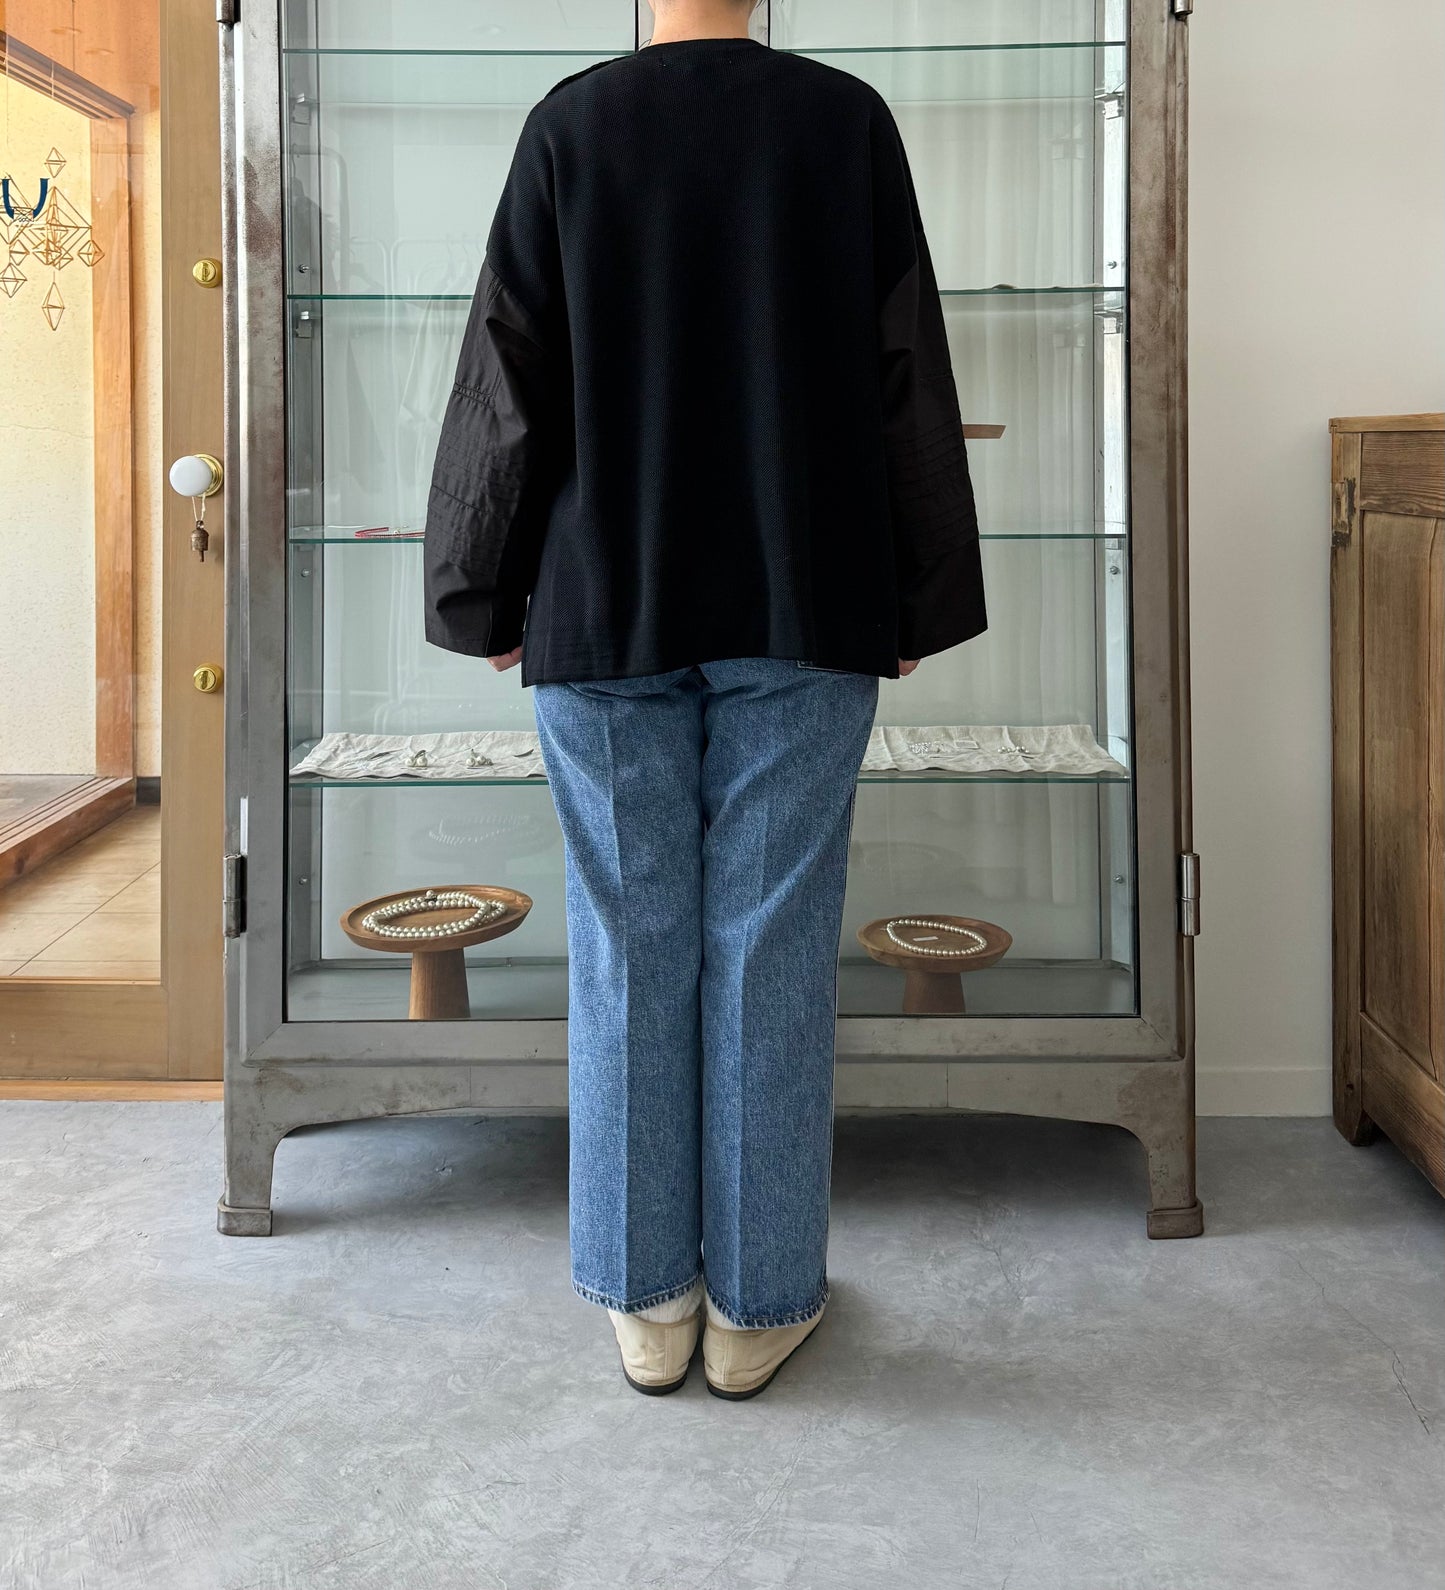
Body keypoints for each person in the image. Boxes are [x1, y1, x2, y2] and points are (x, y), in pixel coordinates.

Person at [423, 0, 986, 1400]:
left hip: (603, 603)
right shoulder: (841, 121)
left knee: (627, 948)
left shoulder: (572, 124)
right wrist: (916, 595)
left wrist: (481, 592)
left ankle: (648, 1300)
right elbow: (902, 367)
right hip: (806, 596)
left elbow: (507, 367)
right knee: (771, 949)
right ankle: (757, 1305)